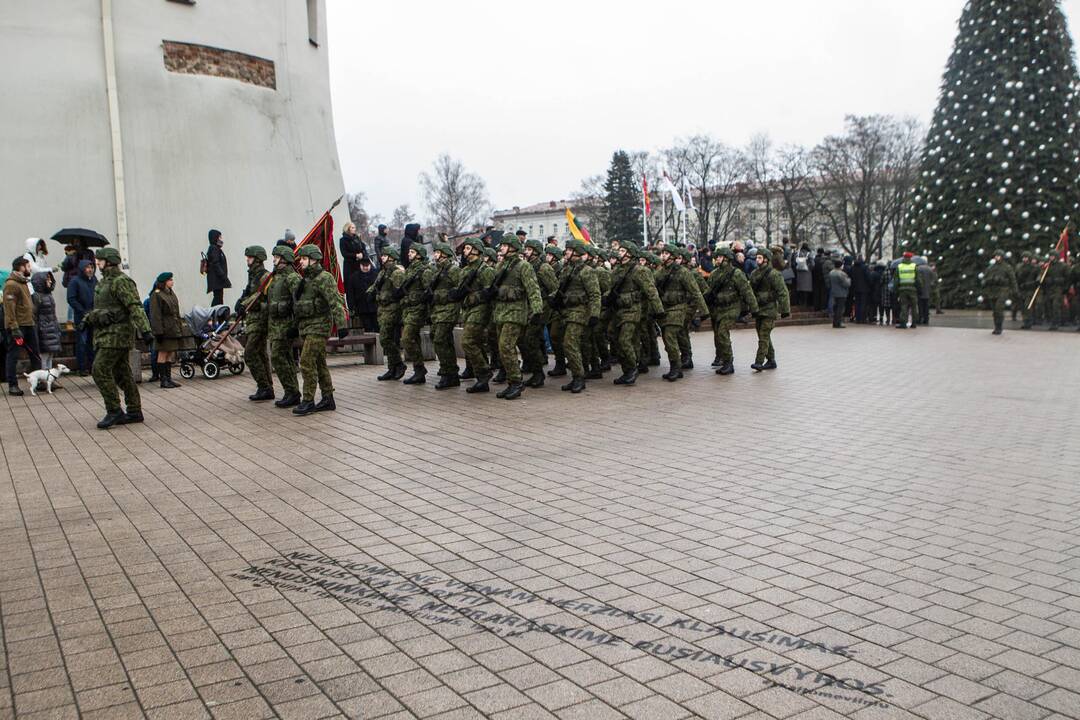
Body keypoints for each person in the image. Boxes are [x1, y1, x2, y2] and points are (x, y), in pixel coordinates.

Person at [83, 247, 152, 428]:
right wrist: (90, 317)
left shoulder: (121, 281)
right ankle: (134, 411)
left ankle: (114, 410)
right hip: (105, 334)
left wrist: (146, 331)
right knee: (122, 374)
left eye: (100, 261)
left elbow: (134, 306)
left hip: (117, 336)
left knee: (99, 370)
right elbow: (105, 308)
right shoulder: (103, 283)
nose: (97, 263)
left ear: (110, 261)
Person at [291, 245, 346, 415]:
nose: (301, 261)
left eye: (304, 258)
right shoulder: (305, 280)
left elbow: (335, 301)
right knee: (319, 362)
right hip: (307, 327)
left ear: (313, 259)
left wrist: (342, 325)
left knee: (306, 361)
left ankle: (308, 400)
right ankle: (328, 398)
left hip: (319, 327)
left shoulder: (324, 278)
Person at [490, 234, 543, 400]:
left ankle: (516, 382)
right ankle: (511, 381)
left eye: (504, 246)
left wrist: (537, 311)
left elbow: (533, 289)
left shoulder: (523, 266)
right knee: (502, 348)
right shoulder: (501, 265)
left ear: (512, 247)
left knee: (506, 346)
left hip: (516, 312)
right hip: (501, 312)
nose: (501, 248)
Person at [609, 243, 663, 386]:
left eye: (622, 250)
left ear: (630, 253)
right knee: (617, 340)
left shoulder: (640, 271)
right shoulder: (617, 271)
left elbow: (651, 291)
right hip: (618, 311)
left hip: (633, 310)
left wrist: (658, 310)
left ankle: (633, 368)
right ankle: (627, 370)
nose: (619, 253)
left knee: (624, 340)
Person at [552, 240, 601, 393]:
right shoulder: (567, 269)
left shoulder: (587, 271)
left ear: (576, 252)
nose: (566, 252)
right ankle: (576, 376)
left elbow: (595, 294)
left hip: (580, 312)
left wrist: (594, 314)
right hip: (566, 312)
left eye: (569, 249)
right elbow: (560, 290)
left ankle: (579, 377)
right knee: (567, 344)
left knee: (569, 343)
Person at [655, 246, 707, 382]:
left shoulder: (683, 272)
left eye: (666, 253)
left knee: (669, 335)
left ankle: (676, 368)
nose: (663, 256)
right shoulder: (661, 272)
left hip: (679, 308)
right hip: (666, 308)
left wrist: (704, 311)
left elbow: (696, 292)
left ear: (673, 256)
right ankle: (676, 365)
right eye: (662, 253)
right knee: (667, 339)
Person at [705, 246, 757, 375]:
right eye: (716, 257)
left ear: (727, 259)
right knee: (718, 334)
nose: (717, 259)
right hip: (718, 308)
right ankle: (722, 358)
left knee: (722, 332)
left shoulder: (736, 273)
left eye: (719, 257)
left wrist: (754, 308)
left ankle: (729, 363)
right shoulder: (714, 274)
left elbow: (747, 291)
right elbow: (709, 292)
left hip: (732, 307)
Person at [454, 239, 496, 393]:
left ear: (476, 250)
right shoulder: (465, 270)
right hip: (468, 310)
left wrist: (474, 297)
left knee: (467, 341)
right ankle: (482, 380)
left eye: (468, 248)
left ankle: (484, 372)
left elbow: (490, 293)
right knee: (476, 343)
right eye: (465, 248)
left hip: (481, 310)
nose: (464, 251)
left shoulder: (486, 270)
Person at [267, 244, 302, 408]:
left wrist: (295, 326)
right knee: (284, 358)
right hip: (275, 325)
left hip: (286, 325)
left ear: (284, 259)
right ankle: (292, 391)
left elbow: (299, 303)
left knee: (279, 357)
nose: (273, 259)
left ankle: (292, 392)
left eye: (276, 256)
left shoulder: (292, 278)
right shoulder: (276, 277)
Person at [521, 239, 558, 388]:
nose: (526, 252)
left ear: (536, 251)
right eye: (526, 250)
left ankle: (538, 374)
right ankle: (536, 371)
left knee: (530, 339)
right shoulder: (528, 266)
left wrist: (545, 308)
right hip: (529, 308)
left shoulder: (543, 268)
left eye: (529, 250)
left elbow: (555, 290)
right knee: (528, 340)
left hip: (542, 309)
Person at [237, 246, 273, 400]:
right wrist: (241, 301)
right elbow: (249, 293)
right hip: (253, 320)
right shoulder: (253, 275)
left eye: (250, 257)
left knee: (250, 353)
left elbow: (263, 298)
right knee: (260, 353)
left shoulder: (264, 277)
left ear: (257, 259)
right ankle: (266, 387)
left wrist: (246, 305)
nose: (247, 260)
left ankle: (264, 385)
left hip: (260, 320)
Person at [148, 272, 194, 388]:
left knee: (170, 353)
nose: (172, 281)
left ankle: (168, 379)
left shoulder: (170, 293)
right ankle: (163, 380)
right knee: (163, 353)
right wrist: (158, 332)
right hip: (164, 330)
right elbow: (155, 315)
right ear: (164, 282)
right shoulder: (156, 295)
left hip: (172, 329)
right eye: (170, 280)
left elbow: (175, 313)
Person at [427, 242, 462, 389]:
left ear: (444, 254)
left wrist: (445, 295)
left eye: (438, 252)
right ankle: (449, 370)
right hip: (438, 310)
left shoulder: (453, 270)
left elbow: (459, 289)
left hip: (449, 308)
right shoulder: (436, 270)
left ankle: (449, 373)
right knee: (437, 337)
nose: (435, 255)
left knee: (440, 337)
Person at [396, 245, 433, 384]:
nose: (409, 254)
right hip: (408, 309)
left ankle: (420, 368)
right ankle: (419, 371)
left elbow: (429, 291)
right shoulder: (410, 269)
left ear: (419, 255)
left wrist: (428, 311)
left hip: (418, 309)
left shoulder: (424, 270)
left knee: (406, 338)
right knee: (413, 339)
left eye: (412, 252)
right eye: (409, 251)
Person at [749, 248, 791, 371]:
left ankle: (759, 362)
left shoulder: (774, 274)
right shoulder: (754, 273)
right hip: (758, 309)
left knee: (764, 336)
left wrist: (785, 310)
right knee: (763, 336)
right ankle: (771, 360)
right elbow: (749, 291)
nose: (757, 259)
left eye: (760, 257)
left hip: (770, 309)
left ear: (766, 259)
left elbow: (783, 292)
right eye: (757, 257)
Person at [4, 257, 41, 395]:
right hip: (18, 327)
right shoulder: (11, 284)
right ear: (20, 267)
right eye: (28, 265)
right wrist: (14, 328)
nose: (30, 268)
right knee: (13, 356)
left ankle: (40, 382)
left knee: (35, 355)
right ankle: (12, 386)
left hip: (29, 324)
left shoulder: (23, 282)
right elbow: (9, 309)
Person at [369, 247, 406, 380]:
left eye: (385, 256)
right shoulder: (383, 272)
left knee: (385, 339)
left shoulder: (396, 273)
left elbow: (400, 292)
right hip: (383, 309)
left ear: (391, 257)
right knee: (388, 339)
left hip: (392, 308)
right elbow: (375, 286)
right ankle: (392, 368)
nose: (382, 257)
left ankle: (399, 364)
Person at [67, 259, 97, 375]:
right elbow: (71, 299)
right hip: (81, 317)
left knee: (93, 342)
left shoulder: (94, 280)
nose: (90, 270)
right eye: (88, 268)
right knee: (82, 342)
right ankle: (82, 367)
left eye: (92, 267)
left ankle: (92, 366)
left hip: (93, 316)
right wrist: (82, 311)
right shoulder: (75, 281)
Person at [31, 272, 62, 378]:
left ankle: (49, 379)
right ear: (40, 282)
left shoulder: (48, 295)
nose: (49, 281)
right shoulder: (36, 297)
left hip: (51, 329)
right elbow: (34, 315)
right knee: (44, 357)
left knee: (50, 356)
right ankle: (43, 379)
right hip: (43, 330)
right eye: (47, 279)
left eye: (50, 279)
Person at [983, 249, 1019, 335]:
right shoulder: (991, 268)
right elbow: (984, 279)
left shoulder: (1007, 267)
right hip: (992, 291)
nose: (997, 257)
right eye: (996, 256)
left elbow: (1012, 280)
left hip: (1003, 290)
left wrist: (1015, 290)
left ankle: (999, 327)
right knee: (995, 310)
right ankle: (996, 326)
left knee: (999, 308)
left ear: (1002, 257)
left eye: (999, 256)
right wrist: (990, 280)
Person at [340, 222, 369, 316]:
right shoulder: (343, 240)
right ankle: (352, 308)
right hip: (349, 266)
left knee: (360, 285)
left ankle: (362, 305)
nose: (354, 229)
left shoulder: (357, 238)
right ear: (347, 229)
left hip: (358, 265)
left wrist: (362, 254)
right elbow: (344, 253)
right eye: (352, 227)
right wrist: (356, 255)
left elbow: (363, 249)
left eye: (354, 227)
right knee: (350, 286)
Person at [1042, 251, 1069, 331]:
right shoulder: (1047, 266)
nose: (1051, 258)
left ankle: (1056, 323)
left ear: (1056, 257)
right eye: (1050, 256)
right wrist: (1046, 280)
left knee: (1055, 306)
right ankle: (1052, 321)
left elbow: (1068, 277)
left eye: (1053, 256)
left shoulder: (1063, 266)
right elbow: (1042, 276)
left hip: (1058, 289)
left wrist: (1059, 281)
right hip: (1049, 289)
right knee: (1049, 306)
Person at [352, 257, 379, 332]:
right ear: (360, 265)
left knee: (378, 327)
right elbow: (351, 293)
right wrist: (353, 307)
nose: (365, 268)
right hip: (362, 307)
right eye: (363, 266)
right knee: (367, 329)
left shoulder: (376, 274)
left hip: (375, 306)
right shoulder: (354, 277)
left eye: (367, 266)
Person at [894, 251, 920, 329]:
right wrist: (919, 288)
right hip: (912, 289)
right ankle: (914, 323)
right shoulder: (914, 266)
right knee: (914, 306)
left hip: (902, 290)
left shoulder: (899, 266)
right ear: (910, 258)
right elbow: (917, 279)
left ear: (904, 257)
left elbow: (896, 280)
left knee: (904, 306)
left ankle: (903, 323)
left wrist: (896, 289)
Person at [205, 229, 231, 306]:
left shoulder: (216, 249)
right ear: (215, 238)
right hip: (217, 280)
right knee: (218, 298)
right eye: (219, 237)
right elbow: (215, 263)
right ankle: (214, 315)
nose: (221, 239)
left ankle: (218, 315)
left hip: (217, 280)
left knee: (219, 297)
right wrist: (223, 276)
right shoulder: (214, 248)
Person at [1016, 252, 1038, 329]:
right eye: (1023, 257)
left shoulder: (1034, 268)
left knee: (1027, 306)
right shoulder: (1019, 267)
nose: (1024, 259)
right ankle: (1025, 321)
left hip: (1030, 289)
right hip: (1022, 289)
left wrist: (1030, 284)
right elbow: (1016, 277)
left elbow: (1037, 279)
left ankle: (1029, 321)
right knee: (1022, 307)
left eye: (1026, 257)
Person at [827, 259, 850, 328]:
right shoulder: (841, 274)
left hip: (834, 291)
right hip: (841, 293)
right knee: (840, 309)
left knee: (836, 308)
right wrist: (849, 280)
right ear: (841, 265)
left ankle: (835, 322)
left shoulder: (831, 272)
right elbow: (846, 284)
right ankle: (838, 323)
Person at [915, 256, 934, 325]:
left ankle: (920, 319)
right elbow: (933, 280)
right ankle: (926, 319)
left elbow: (917, 279)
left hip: (920, 290)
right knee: (926, 306)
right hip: (927, 290)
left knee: (920, 306)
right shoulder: (930, 269)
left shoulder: (918, 268)